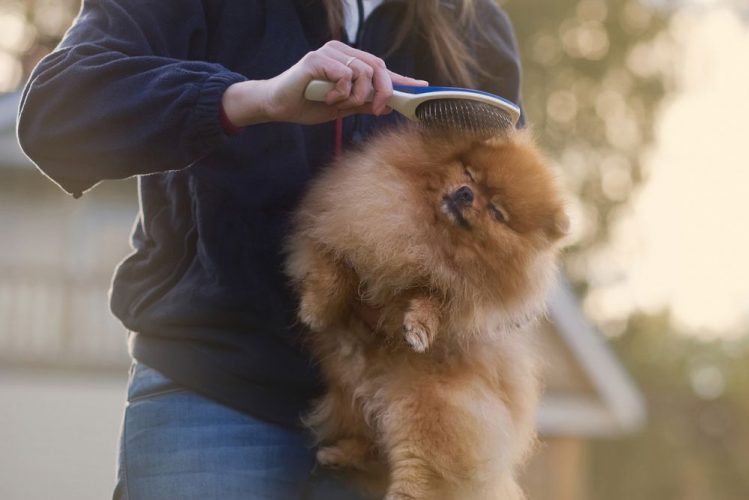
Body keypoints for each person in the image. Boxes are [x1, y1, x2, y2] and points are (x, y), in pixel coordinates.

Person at [17, 0, 524, 498]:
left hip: (382, 423)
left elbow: (517, 233)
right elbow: (55, 116)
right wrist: (255, 100)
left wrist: (437, 309)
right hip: (212, 393)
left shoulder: (475, 26)